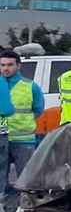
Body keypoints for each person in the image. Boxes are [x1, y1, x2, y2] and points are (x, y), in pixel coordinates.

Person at [0, 49, 45, 200]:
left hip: (23, 140)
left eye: (10, 65)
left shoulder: (30, 86)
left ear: (18, 66)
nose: (6, 68)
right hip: (2, 140)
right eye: (2, 65)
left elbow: (38, 109)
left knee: (26, 183)